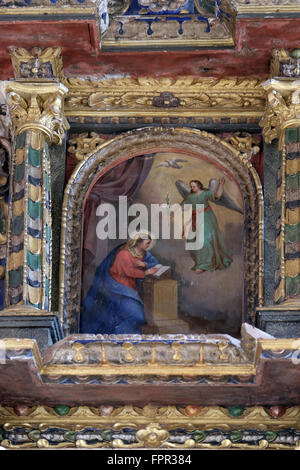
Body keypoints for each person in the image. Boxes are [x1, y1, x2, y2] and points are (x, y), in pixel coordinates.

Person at [80, 233, 159, 334]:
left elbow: (154, 262)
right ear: (138, 242)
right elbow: (128, 271)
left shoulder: (144, 253)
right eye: (146, 243)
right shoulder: (123, 254)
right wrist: (146, 272)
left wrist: (145, 264)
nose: (148, 246)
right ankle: (118, 336)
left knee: (137, 315)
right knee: (137, 315)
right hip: (117, 287)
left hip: (130, 288)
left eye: (149, 244)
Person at [181, 179, 232, 274]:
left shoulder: (205, 194)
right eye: (191, 186)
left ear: (199, 186)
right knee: (193, 240)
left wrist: (221, 185)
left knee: (203, 240)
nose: (192, 188)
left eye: (194, 186)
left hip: (207, 218)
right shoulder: (190, 196)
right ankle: (201, 262)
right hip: (195, 219)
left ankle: (205, 264)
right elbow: (183, 206)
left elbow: (217, 195)